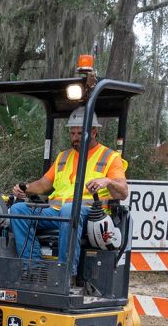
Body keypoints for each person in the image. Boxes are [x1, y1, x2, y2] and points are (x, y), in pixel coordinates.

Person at [10, 108, 128, 273]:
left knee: (69, 210)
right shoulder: (63, 157)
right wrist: (26, 189)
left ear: (94, 132)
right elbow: (44, 184)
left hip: (90, 215)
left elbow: (123, 192)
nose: (75, 138)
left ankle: (64, 273)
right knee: (17, 210)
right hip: (56, 212)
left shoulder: (110, 157)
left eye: (79, 134)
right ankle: (34, 268)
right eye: (72, 133)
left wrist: (107, 181)